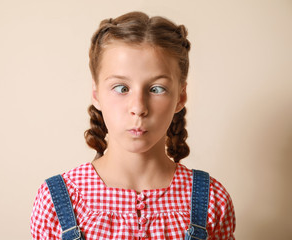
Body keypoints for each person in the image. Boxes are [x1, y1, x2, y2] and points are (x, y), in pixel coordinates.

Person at [30, 11, 236, 239]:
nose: (138, 107)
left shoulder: (212, 201)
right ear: (96, 94)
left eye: (156, 89)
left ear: (181, 97)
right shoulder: (57, 201)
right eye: (121, 88)